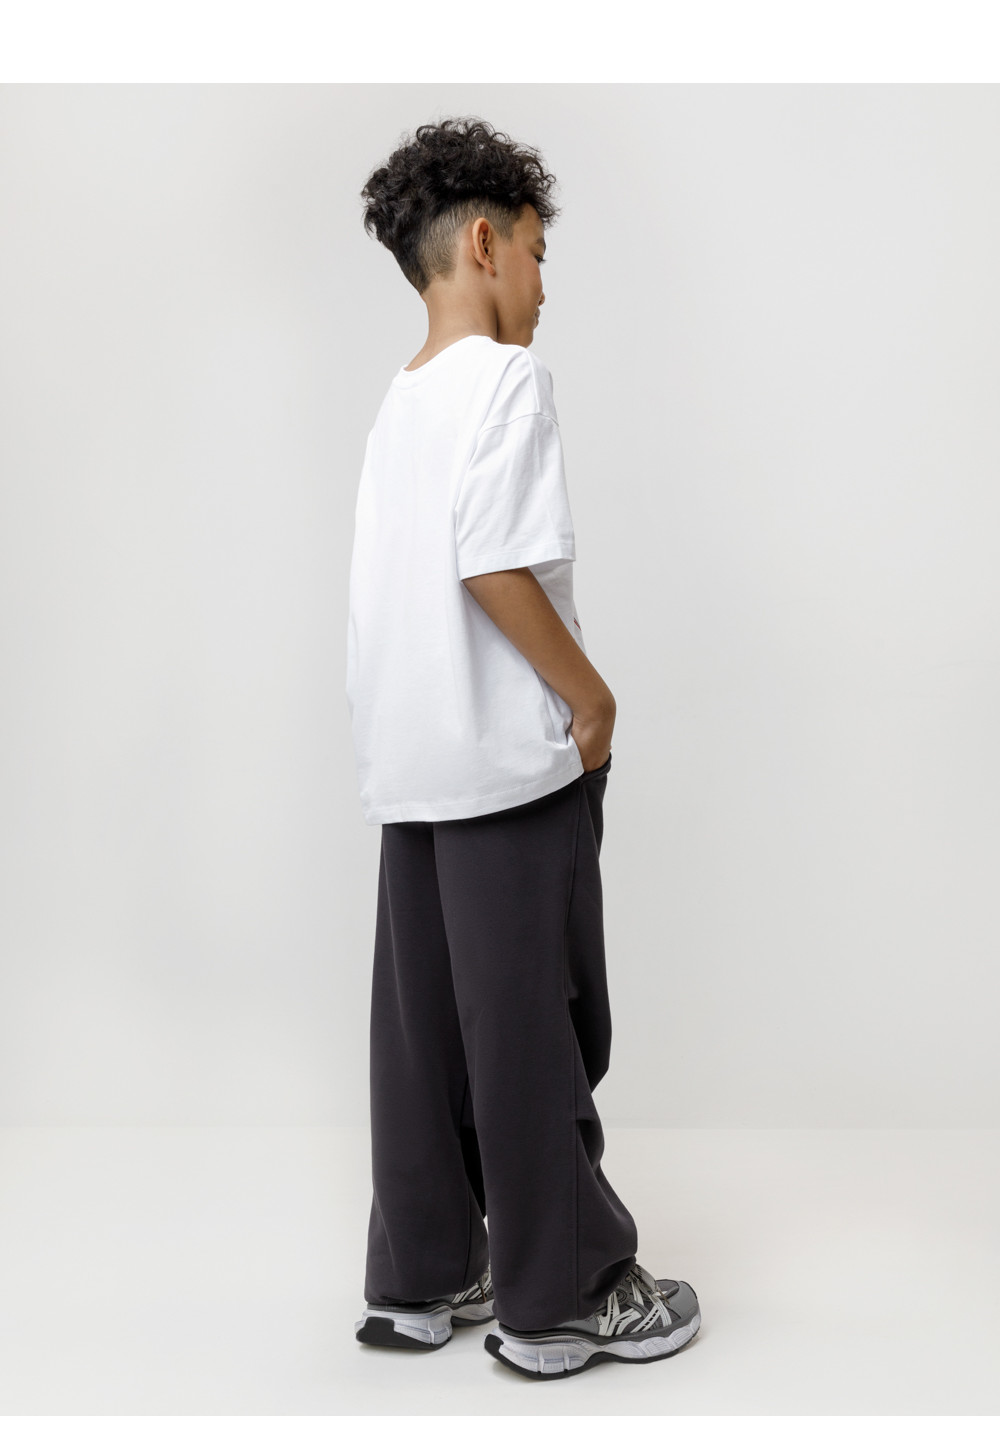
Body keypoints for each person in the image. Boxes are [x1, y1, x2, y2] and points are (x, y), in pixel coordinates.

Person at [345, 116, 701, 1380]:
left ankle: (423, 1277)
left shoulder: (400, 404)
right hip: (504, 766)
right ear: (487, 244)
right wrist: (590, 700)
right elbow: (491, 562)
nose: (545, 287)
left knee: (423, 1037)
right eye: (540, 255)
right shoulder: (505, 382)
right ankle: (568, 1291)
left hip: (411, 768)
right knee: (531, 1026)